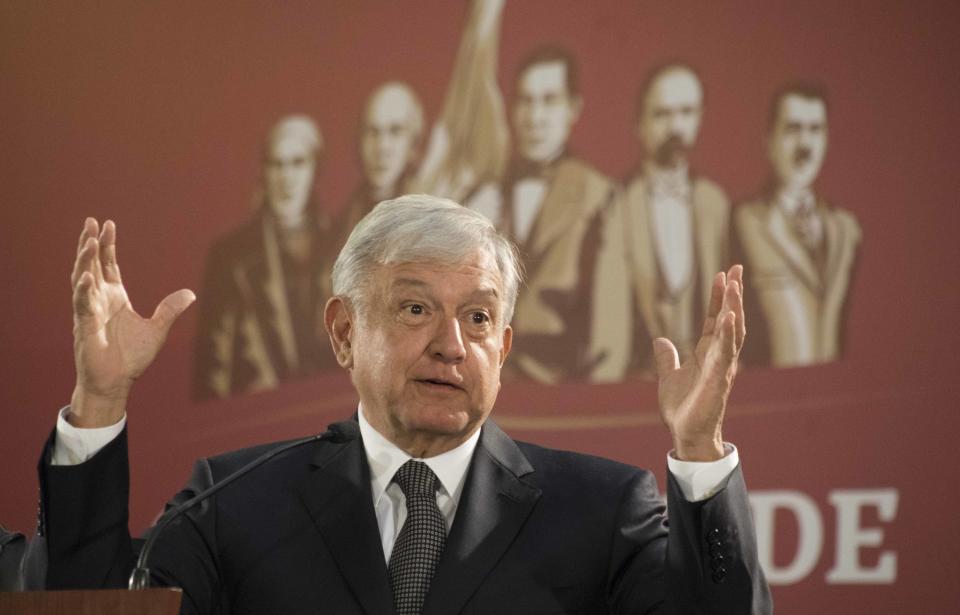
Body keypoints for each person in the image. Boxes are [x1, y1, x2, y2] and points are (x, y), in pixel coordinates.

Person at [37, 195, 770, 613]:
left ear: (505, 346)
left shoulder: (602, 509)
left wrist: (700, 450)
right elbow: (87, 611)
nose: (453, 344)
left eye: (479, 318)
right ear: (344, 331)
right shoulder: (235, 503)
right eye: (415, 308)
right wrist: (100, 399)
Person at [469, 47, 621, 384]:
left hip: (563, 391)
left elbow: (609, 335)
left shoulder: (600, 194)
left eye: (549, 101)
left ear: (573, 109)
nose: (534, 117)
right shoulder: (485, 194)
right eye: (525, 101)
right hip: (486, 387)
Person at [591, 64, 731, 381]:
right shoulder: (619, 207)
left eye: (686, 112)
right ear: (639, 123)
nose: (676, 126)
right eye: (662, 114)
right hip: (641, 386)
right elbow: (609, 327)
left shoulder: (716, 204)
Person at [192, 115, 341, 400]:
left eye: (298, 163)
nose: (287, 177)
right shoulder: (229, 257)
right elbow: (214, 369)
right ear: (264, 172)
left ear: (315, 170)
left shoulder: (344, 241)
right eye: (277, 164)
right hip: (260, 422)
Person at [734, 84, 861, 367]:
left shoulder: (846, 230)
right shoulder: (744, 223)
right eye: (793, 129)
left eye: (815, 130)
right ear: (769, 140)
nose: (805, 144)